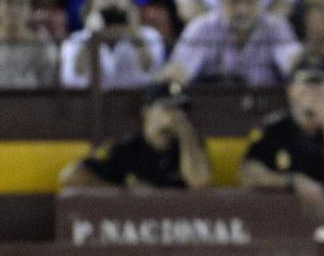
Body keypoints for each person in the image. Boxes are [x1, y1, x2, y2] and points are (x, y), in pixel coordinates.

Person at [240, 62, 324, 221]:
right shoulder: (274, 127)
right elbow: (248, 174)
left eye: (319, 86)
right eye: (306, 85)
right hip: (280, 218)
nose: (313, 93)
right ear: (291, 90)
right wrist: (292, 181)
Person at [59, 79, 212, 188]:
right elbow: (69, 176)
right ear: (147, 112)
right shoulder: (127, 149)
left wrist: (186, 133)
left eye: (181, 109)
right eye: (168, 107)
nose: (177, 114)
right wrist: (127, 194)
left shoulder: (189, 145)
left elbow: (200, 183)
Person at [163, 0, 301, 86]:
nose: (242, 10)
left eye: (249, 2)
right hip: (213, 106)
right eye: (234, 1)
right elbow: (180, 70)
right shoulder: (202, 28)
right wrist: (174, 78)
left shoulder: (276, 27)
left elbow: (294, 64)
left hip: (265, 105)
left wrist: (299, 67)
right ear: (221, 2)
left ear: (260, 4)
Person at [60, 0, 166, 89]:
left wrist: (136, 35)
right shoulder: (75, 41)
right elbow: (73, 82)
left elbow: (153, 78)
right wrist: (91, 38)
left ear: (131, 2)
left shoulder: (149, 36)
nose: (112, 1)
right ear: (91, 5)